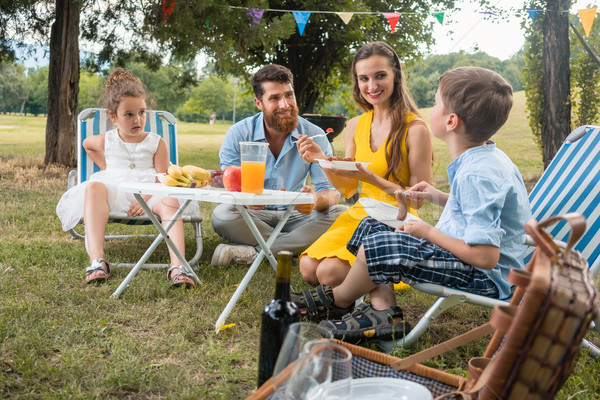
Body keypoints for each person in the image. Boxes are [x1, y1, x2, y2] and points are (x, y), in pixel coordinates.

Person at [292, 66, 532, 342]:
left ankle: (338, 301)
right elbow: (480, 210)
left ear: (451, 121)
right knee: (373, 226)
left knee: (380, 246)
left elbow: (485, 257)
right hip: (468, 260)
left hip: (485, 277)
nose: (431, 108)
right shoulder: (486, 158)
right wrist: (438, 197)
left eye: (437, 103)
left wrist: (428, 232)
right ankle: (383, 311)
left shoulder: (477, 173)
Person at [295, 42, 432, 288]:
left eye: (380, 76)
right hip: (360, 214)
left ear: (396, 77)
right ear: (357, 82)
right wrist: (321, 159)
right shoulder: (355, 125)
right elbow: (347, 189)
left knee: (327, 273)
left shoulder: (415, 128)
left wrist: (373, 180)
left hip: (397, 220)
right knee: (307, 266)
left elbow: (419, 200)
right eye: (364, 78)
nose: (372, 86)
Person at [56, 68, 197, 287]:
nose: (137, 119)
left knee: (171, 201)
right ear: (114, 117)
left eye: (141, 112)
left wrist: (148, 198)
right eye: (129, 114)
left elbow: (162, 178)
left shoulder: (156, 142)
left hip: (151, 191)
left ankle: (178, 266)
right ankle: (97, 261)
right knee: (94, 186)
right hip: (116, 190)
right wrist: (107, 168)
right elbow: (87, 145)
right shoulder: (108, 139)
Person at [210, 64, 347, 266]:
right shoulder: (239, 134)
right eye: (274, 98)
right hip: (254, 215)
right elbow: (231, 187)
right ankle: (293, 244)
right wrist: (247, 200)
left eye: (289, 95)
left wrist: (312, 200)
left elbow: (331, 194)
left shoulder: (314, 135)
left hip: (297, 215)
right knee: (222, 215)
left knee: (342, 214)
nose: (285, 104)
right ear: (259, 102)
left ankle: (254, 252)